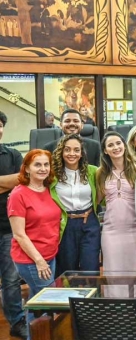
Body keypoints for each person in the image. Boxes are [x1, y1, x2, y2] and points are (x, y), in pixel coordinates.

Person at [8, 150, 60, 327]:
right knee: (48, 299)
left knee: (36, 300)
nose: (43, 168)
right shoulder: (18, 194)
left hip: (50, 255)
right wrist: (39, 261)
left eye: (46, 164)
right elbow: (19, 234)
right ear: (27, 169)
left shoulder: (50, 189)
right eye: (37, 165)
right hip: (31, 259)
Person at [50, 134, 99, 275]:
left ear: (81, 153)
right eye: (67, 149)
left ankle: (91, 296)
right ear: (61, 151)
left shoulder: (93, 171)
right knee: (67, 270)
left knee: (91, 269)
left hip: (89, 222)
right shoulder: (53, 175)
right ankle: (69, 297)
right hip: (65, 224)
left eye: (76, 150)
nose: (72, 154)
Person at [96, 131, 136, 272]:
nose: (115, 147)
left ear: (124, 145)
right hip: (111, 231)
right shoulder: (100, 173)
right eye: (110, 145)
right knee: (114, 271)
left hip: (135, 229)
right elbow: (97, 200)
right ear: (105, 150)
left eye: (118, 143)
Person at [0, 112, 27, 338]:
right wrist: (4, 183)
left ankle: (17, 321)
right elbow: (10, 182)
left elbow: (21, 179)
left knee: (10, 280)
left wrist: (11, 182)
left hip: (9, 228)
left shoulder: (13, 154)